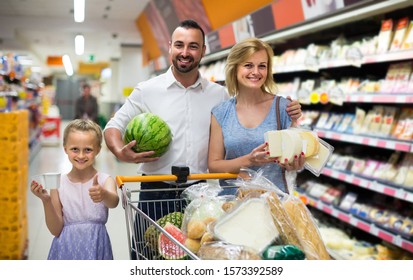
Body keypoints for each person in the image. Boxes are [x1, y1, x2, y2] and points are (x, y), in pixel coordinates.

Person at [104, 19, 302, 218]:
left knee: (196, 247)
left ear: (203, 50)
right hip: (155, 190)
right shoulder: (147, 90)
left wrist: (287, 111)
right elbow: (114, 126)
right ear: (170, 47)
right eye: (179, 45)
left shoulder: (219, 95)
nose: (185, 52)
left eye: (193, 46)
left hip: (200, 192)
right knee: (147, 246)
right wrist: (121, 153)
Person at [208, 38, 305, 194]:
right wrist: (249, 160)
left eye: (262, 66)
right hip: (232, 205)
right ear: (235, 68)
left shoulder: (283, 108)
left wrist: (295, 163)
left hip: (274, 205)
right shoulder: (221, 113)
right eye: (248, 65)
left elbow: (296, 156)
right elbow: (214, 165)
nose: (256, 72)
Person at [30, 119, 119, 260]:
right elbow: (56, 229)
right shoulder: (58, 185)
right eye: (75, 149)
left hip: (96, 248)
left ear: (98, 150)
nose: (81, 155)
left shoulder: (104, 180)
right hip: (66, 251)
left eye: (88, 150)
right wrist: (46, 201)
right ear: (65, 148)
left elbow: (114, 202)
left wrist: (103, 194)